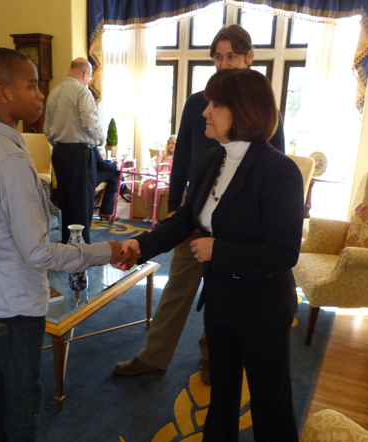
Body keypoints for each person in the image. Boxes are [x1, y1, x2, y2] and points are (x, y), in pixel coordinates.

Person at [0, 48, 135, 442]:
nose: (40, 95)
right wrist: (104, 251)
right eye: (32, 86)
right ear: (2, 93)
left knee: (4, 385)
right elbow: (38, 252)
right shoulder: (13, 159)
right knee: (24, 397)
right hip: (14, 302)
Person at [120, 68, 303, 442]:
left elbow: (283, 252)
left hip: (263, 305)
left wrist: (219, 250)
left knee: (270, 397)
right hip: (221, 297)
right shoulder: (211, 160)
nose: (205, 112)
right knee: (222, 384)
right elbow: (187, 218)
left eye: (216, 104)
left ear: (243, 111)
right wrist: (141, 245)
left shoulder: (279, 171)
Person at [114, 25, 285, 383]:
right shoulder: (198, 105)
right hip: (194, 211)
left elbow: (272, 167)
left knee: (222, 292)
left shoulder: (263, 111)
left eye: (232, 56)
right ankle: (154, 356)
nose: (224, 64)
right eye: (218, 57)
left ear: (249, 57)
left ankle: (213, 357)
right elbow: (182, 160)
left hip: (236, 227)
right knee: (178, 285)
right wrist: (174, 205)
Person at [44, 57, 104, 244]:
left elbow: (47, 130)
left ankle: (67, 245)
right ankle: (82, 248)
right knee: (82, 204)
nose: (89, 81)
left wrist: (60, 144)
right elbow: (89, 122)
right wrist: (100, 136)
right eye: (90, 77)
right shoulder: (82, 92)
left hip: (59, 153)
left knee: (66, 202)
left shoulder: (54, 93)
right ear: (85, 74)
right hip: (79, 154)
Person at [137, 135, 176, 222]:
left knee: (156, 188)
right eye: (169, 143)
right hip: (160, 177)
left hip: (168, 179)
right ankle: (149, 215)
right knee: (150, 188)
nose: (170, 145)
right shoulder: (165, 156)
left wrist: (167, 175)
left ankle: (155, 216)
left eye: (173, 143)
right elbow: (159, 168)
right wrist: (158, 158)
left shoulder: (178, 157)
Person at [94, 146, 120, 220]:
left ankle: (123, 188)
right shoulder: (90, 143)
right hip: (89, 177)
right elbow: (100, 163)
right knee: (115, 173)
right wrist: (115, 165)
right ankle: (106, 211)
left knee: (114, 173)